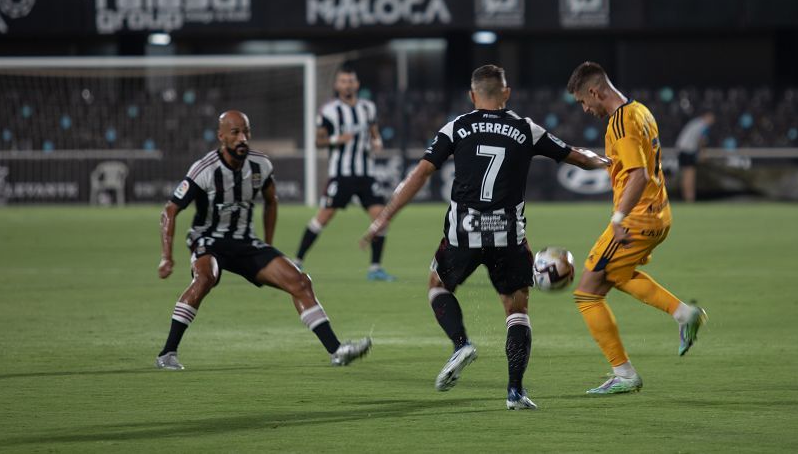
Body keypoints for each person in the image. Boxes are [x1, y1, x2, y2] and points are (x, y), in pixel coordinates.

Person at [361, 65, 610, 410]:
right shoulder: (526, 129)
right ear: (506, 93)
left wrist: (383, 218)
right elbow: (579, 157)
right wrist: (610, 162)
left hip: (463, 233)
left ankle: (461, 343)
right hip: (508, 235)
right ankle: (515, 392)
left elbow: (419, 174)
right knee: (516, 308)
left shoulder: (457, 128)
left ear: (472, 95)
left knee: (437, 285)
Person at [155, 110, 372, 370]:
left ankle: (337, 350)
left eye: (246, 132)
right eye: (235, 132)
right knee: (205, 277)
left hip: (246, 242)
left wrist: (268, 244)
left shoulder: (261, 165)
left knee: (300, 281)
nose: (242, 138)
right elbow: (170, 210)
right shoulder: (205, 169)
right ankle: (168, 353)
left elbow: (271, 201)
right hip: (209, 240)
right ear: (221, 136)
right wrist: (167, 257)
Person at [565, 62, 706, 395]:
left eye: (584, 102)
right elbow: (636, 163)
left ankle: (625, 374)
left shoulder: (619, 123)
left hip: (636, 220)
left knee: (587, 293)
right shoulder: (640, 111)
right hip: (659, 214)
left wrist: (618, 220)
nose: (586, 109)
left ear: (595, 92)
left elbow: (639, 174)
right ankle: (684, 314)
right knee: (617, 274)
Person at [294, 64, 394, 281]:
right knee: (324, 217)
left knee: (381, 218)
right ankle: (297, 262)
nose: (348, 84)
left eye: (351, 81)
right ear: (337, 85)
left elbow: (374, 132)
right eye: (343, 81)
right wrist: (335, 139)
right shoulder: (329, 111)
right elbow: (318, 140)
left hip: (366, 173)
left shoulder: (368, 107)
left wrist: (377, 141)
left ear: (357, 84)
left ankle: (375, 268)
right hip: (341, 174)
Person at [675, 112, 715, 202]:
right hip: (688, 150)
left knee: (685, 174)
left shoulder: (696, 122)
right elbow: (702, 140)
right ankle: (690, 198)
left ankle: (686, 197)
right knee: (690, 174)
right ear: (707, 117)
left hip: (681, 148)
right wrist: (702, 153)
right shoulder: (703, 125)